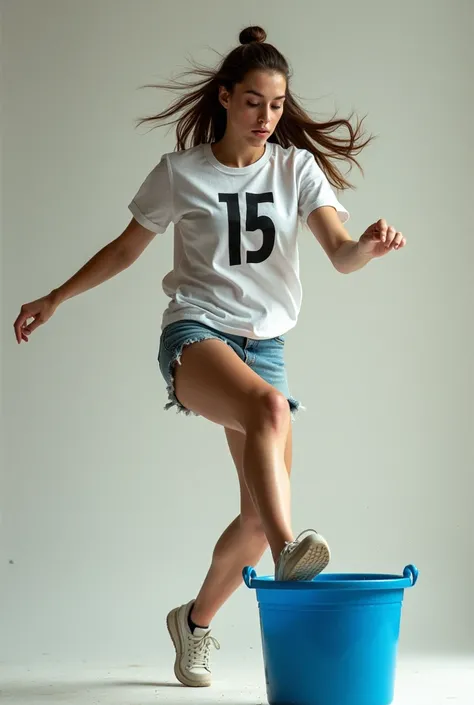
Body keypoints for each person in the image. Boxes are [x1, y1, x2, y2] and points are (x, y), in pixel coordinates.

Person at [13, 25, 406, 689]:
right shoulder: (182, 173)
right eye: (253, 102)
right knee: (269, 410)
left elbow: (339, 254)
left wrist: (366, 247)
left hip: (267, 346)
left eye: (277, 105)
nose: (266, 117)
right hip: (195, 334)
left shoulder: (295, 169)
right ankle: (290, 550)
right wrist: (56, 296)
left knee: (254, 514)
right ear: (225, 97)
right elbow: (125, 249)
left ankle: (193, 624)